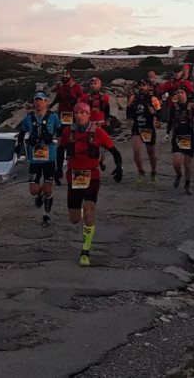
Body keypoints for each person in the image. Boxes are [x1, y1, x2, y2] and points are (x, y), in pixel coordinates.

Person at [54, 103, 123, 267]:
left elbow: (114, 151)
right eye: (76, 113)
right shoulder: (67, 132)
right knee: (74, 219)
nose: (78, 116)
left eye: (82, 113)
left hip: (92, 175)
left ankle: (85, 251)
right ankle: (84, 213)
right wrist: (57, 169)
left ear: (88, 115)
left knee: (89, 211)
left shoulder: (98, 133)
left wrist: (119, 167)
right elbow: (60, 150)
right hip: (74, 176)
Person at [16, 92, 62, 227]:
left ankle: (46, 215)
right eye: (36, 100)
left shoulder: (53, 117)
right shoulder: (28, 118)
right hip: (35, 159)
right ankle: (39, 194)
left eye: (41, 100)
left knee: (48, 189)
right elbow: (22, 132)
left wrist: (61, 145)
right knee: (34, 190)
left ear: (46, 102)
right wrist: (19, 145)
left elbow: (60, 131)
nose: (38, 102)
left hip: (49, 158)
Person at [126, 79, 161, 183]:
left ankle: (153, 171)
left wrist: (153, 112)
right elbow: (129, 110)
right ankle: (141, 172)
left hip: (149, 128)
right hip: (137, 127)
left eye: (144, 85)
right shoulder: (133, 98)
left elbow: (160, 114)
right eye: (140, 85)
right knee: (136, 150)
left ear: (149, 87)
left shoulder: (153, 99)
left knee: (151, 153)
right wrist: (128, 119)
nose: (142, 87)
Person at [167, 87, 194, 194]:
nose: (180, 94)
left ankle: (187, 184)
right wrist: (167, 133)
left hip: (189, 137)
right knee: (176, 162)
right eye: (178, 92)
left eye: (182, 92)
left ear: (186, 94)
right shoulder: (173, 107)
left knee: (187, 164)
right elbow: (170, 120)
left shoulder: (192, 106)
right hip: (177, 137)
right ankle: (178, 174)